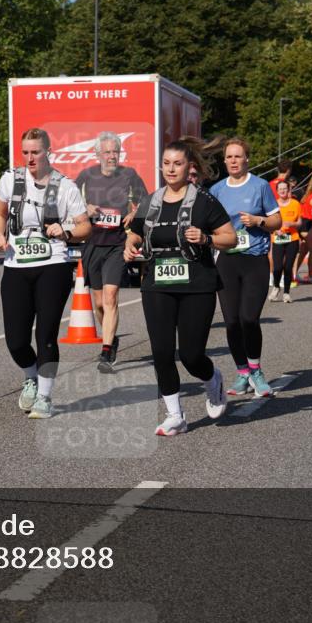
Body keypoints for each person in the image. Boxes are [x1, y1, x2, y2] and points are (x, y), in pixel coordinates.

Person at [124, 138, 237, 436]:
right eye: (166, 163)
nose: (170, 169)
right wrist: (129, 247)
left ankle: (212, 379)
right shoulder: (151, 201)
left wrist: (206, 239)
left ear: (190, 168)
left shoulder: (204, 201)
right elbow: (134, 235)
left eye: (177, 163)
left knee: (190, 355)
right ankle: (175, 415)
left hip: (197, 285)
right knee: (161, 352)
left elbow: (230, 237)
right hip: (157, 284)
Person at [0, 128, 92, 419]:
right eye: (25, 152)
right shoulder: (10, 179)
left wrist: (67, 230)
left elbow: (85, 227)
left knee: (46, 334)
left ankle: (45, 397)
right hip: (16, 264)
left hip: (53, 265)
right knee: (16, 340)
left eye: (35, 152)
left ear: (48, 151)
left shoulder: (65, 186)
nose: (30, 158)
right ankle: (31, 376)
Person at [210, 137, 282, 397]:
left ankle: (257, 371)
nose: (233, 161)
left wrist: (258, 220)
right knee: (231, 322)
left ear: (246, 159)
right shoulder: (217, 190)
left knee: (248, 318)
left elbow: (277, 221)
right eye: (229, 157)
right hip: (227, 260)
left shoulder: (260, 186)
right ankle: (242, 373)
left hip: (254, 259)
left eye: (237, 156)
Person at [76, 131, 149, 373]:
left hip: (118, 243)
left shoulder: (129, 175)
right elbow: (70, 201)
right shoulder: (87, 176)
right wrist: (85, 207)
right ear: (97, 154)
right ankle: (112, 337)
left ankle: (106, 351)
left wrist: (134, 213)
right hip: (93, 243)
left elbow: (146, 201)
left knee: (110, 297)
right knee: (98, 304)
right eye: (106, 152)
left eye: (115, 151)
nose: (111, 156)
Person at [269, 179, 302, 303]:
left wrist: (291, 224)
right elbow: (269, 223)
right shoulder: (273, 205)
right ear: (277, 191)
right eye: (280, 189)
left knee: (288, 267)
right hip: (277, 238)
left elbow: (299, 223)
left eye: (285, 188)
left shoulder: (295, 203)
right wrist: (274, 230)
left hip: (292, 238)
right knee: (277, 267)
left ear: (289, 190)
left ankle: (287, 293)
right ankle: (276, 286)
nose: (283, 191)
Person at [294, 176, 312, 284]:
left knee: (304, 250)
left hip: (303, 224)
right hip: (308, 224)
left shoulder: (305, 196)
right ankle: (310, 275)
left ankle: (295, 273)